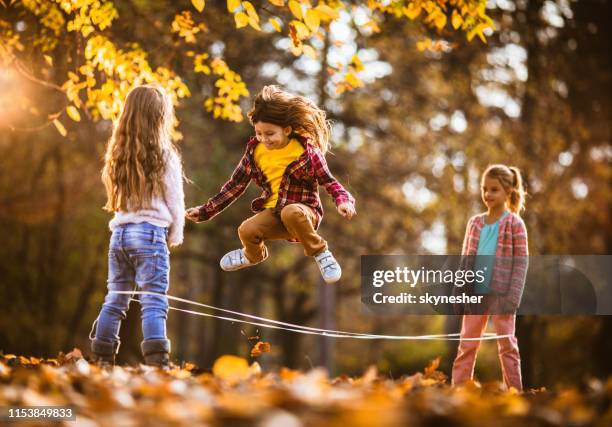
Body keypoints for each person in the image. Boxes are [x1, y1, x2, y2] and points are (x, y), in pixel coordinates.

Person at [186, 85, 355, 283]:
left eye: (270, 134)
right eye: (259, 133)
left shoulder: (307, 153)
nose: (264, 139)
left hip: (304, 213)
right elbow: (235, 186)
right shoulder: (255, 152)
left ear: (287, 130)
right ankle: (253, 255)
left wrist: (343, 201)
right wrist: (206, 211)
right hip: (275, 212)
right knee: (246, 230)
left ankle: (321, 253)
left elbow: (329, 182)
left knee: (291, 212)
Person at [90, 85, 185, 367]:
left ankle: (101, 356)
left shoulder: (117, 155)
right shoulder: (165, 156)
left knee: (115, 300)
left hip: (119, 235)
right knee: (154, 301)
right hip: (150, 234)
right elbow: (175, 201)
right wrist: (175, 235)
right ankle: (158, 362)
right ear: (159, 117)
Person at [452, 164, 528, 390]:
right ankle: (459, 390)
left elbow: (521, 264)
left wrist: (513, 298)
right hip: (475, 293)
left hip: (502, 296)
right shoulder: (474, 223)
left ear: (508, 191)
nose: (487, 194)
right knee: (467, 344)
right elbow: (466, 259)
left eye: (494, 189)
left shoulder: (515, 223)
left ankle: (515, 391)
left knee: (507, 345)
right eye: (484, 189)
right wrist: (459, 292)